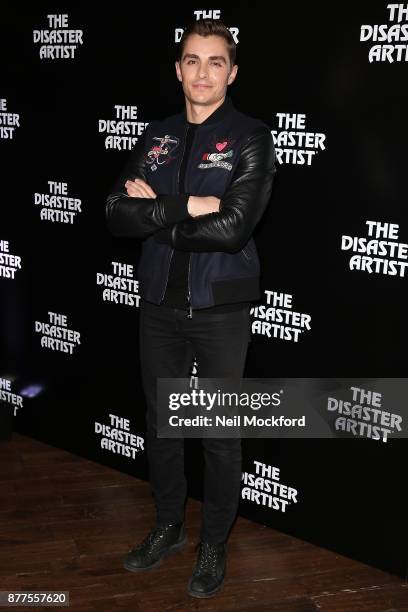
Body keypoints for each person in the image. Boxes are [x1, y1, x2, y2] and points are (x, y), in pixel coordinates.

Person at [105, 18, 276, 598]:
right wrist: (190, 204)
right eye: (192, 60)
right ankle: (169, 528)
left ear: (232, 72)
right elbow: (113, 213)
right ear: (178, 69)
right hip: (158, 305)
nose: (202, 72)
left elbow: (232, 228)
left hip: (221, 309)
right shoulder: (156, 135)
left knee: (220, 433)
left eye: (215, 61)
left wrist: (160, 216)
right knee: (163, 426)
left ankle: (213, 545)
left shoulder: (251, 136)